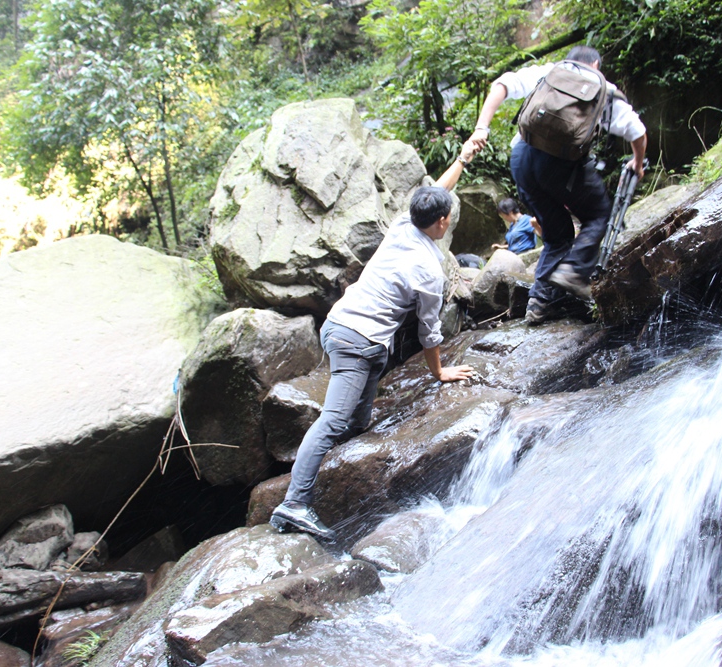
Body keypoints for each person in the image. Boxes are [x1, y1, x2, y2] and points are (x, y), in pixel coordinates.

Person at [269, 141, 479, 541]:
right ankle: (294, 503)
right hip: (357, 341)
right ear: (443, 221)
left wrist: (463, 159)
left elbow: (437, 189)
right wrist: (439, 372)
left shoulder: (404, 224)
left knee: (358, 422)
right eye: (447, 214)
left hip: (345, 331)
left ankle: (327, 478)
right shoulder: (429, 269)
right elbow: (428, 330)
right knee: (334, 421)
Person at [469, 45, 647, 324]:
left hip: (521, 159)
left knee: (558, 233)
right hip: (560, 165)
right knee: (599, 214)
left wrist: (482, 127)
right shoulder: (603, 88)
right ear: (596, 65)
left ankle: (538, 303)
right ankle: (574, 272)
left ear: (569, 61)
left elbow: (502, 84)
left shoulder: (549, 72)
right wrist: (637, 162)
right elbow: (637, 130)